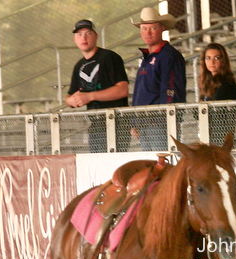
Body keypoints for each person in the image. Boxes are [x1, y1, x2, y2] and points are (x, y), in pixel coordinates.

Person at [66, 19, 130, 152]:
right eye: (79, 35)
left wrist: (90, 96)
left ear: (96, 36)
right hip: (95, 125)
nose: (84, 38)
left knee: (115, 160)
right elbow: (69, 96)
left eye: (88, 33)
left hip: (116, 123)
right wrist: (72, 100)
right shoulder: (79, 66)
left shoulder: (109, 57)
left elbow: (123, 90)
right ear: (75, 39)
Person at [130, 7, 186, 151]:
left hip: (160, 123)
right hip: (146, 123)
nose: (148, 32)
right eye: (144, 28)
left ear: (162, 28)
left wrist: (165, 118)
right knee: (152, 162)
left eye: (153, 28)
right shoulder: (147, 58)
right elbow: (139, 92)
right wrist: (135, 121)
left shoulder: (169, 56)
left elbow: (171, 89)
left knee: (162, 159)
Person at [198, 42, 236, 146]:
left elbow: (217, 114)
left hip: (221, 139)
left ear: (223, 61)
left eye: (216, 58)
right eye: (208, 58)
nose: (212, 62)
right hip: (209, 136)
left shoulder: (227, 85)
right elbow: (197, 115)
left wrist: (203, 107)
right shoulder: (207, 84)